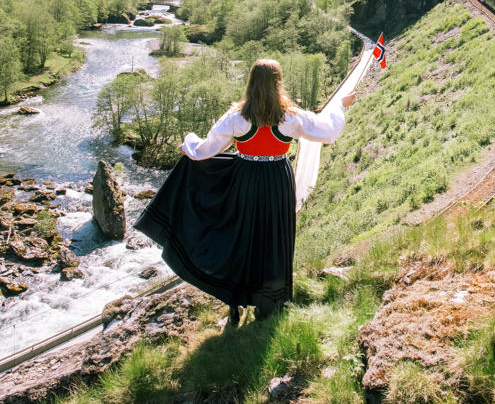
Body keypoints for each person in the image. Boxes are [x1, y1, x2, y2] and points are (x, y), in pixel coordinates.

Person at [133, 59, 355, 329]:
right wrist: (341, 106)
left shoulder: (237, 117)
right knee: (273, 240)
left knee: (240, 240)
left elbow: (206, 150)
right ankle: (269, 304)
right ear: (278, 84)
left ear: (251, 83)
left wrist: (189, 144)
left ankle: (234, 303)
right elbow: (327, 130)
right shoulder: (290, 117)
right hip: (277, 183)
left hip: (244, 182)